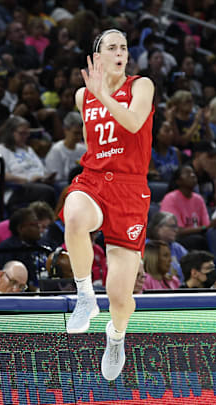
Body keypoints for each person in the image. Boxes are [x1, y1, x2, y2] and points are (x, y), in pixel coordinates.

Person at [61, 28, 155, 381]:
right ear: (96, 58)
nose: (120, 52)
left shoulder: (141, 86)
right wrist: (96, 94)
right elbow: (91, 143)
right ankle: (85, 294)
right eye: (111, 47)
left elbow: (132, 123)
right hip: (96, 179)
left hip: (130, 189)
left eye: (124, 47)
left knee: (120, 294)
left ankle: (116, 336)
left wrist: (105, 95)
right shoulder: (83, 95)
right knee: (73, 217)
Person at [0, 115, 58, 212]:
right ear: (10, 133)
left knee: (63, 188)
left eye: (27, 133)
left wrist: (46, 177)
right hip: (17, 190)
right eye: (22, 133)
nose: (25, 136)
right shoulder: (0, 150)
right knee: (47, 191)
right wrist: (27, 179)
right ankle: (49, 223)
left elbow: (41, 169)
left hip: (38, 184)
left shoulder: (28, 149)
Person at [160, 165, 216, 250]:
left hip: (198, 237)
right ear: (178, 181)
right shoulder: (171, 198)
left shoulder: (199, 199)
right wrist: (204, 228)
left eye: (193, 173)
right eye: (188, 173)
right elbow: (177, 231)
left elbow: (206, 224)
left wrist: (212, 225)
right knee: (198, 240)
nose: (193, 175)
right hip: (177, 239)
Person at [0, 207, 47, 291]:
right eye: (34, 225)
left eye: (38, 224)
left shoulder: (41, 246)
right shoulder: (6, 248)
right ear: (21, 228)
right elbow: (5, 279)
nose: (39, 227)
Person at [146, 211, 188, 281]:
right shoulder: (147, 246)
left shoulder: (176, 247)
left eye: (176, 227)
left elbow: (191, 264)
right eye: (172, 226)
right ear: (157, 228)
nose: (176, 230)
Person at [45, 111, 86, 182]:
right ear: (66, 130)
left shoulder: (83, 149)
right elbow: (57, 178)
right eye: (76, 133)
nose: (79, 136)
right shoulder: (56, 150)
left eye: (81, 133)